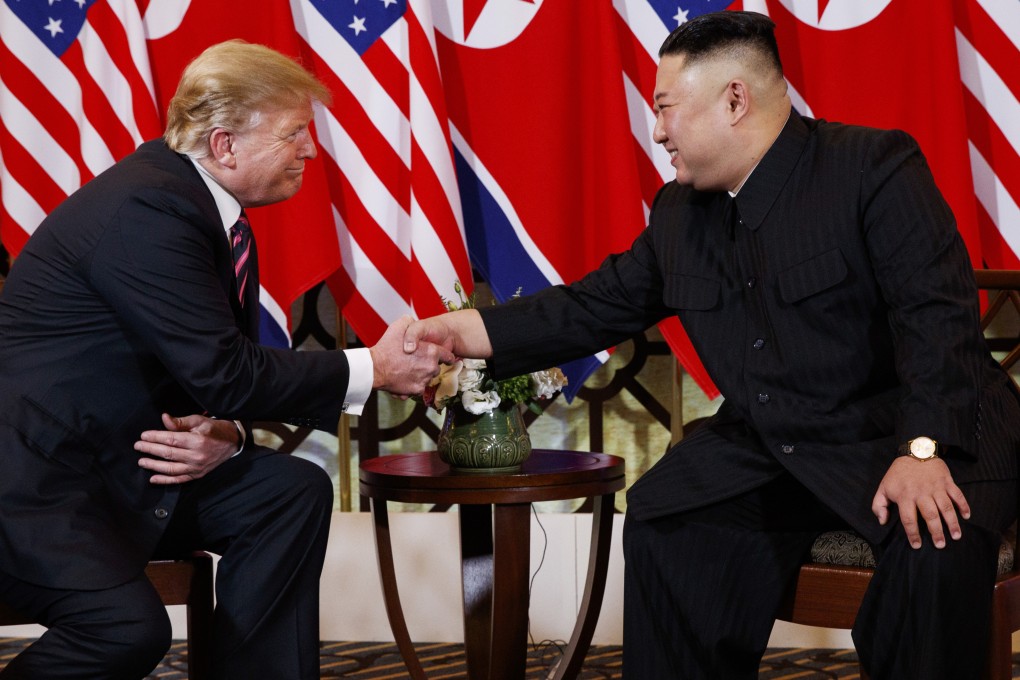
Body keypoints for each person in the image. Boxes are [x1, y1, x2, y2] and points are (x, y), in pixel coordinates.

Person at [404, 11, 1020, 680]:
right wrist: (460, 333)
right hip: (786, 446)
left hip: (920, 431)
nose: (658, 130)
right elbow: (591, 306)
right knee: (669, 513)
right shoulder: (679, 213)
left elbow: (938, 318)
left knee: (934, 545)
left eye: (666, 109)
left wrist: (922, 449)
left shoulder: (873, 166)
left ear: (735, 99)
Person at [0, 40, 450, 680]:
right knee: (126, 630)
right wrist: (374, 368)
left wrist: (228, 435)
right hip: (41, 486)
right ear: (223, 145)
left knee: (288, 493)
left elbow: (202, 373)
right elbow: (225, 371)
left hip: (124, 463)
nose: (309, 151)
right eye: (295, 133)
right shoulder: (148, 209)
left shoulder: (205, 210)